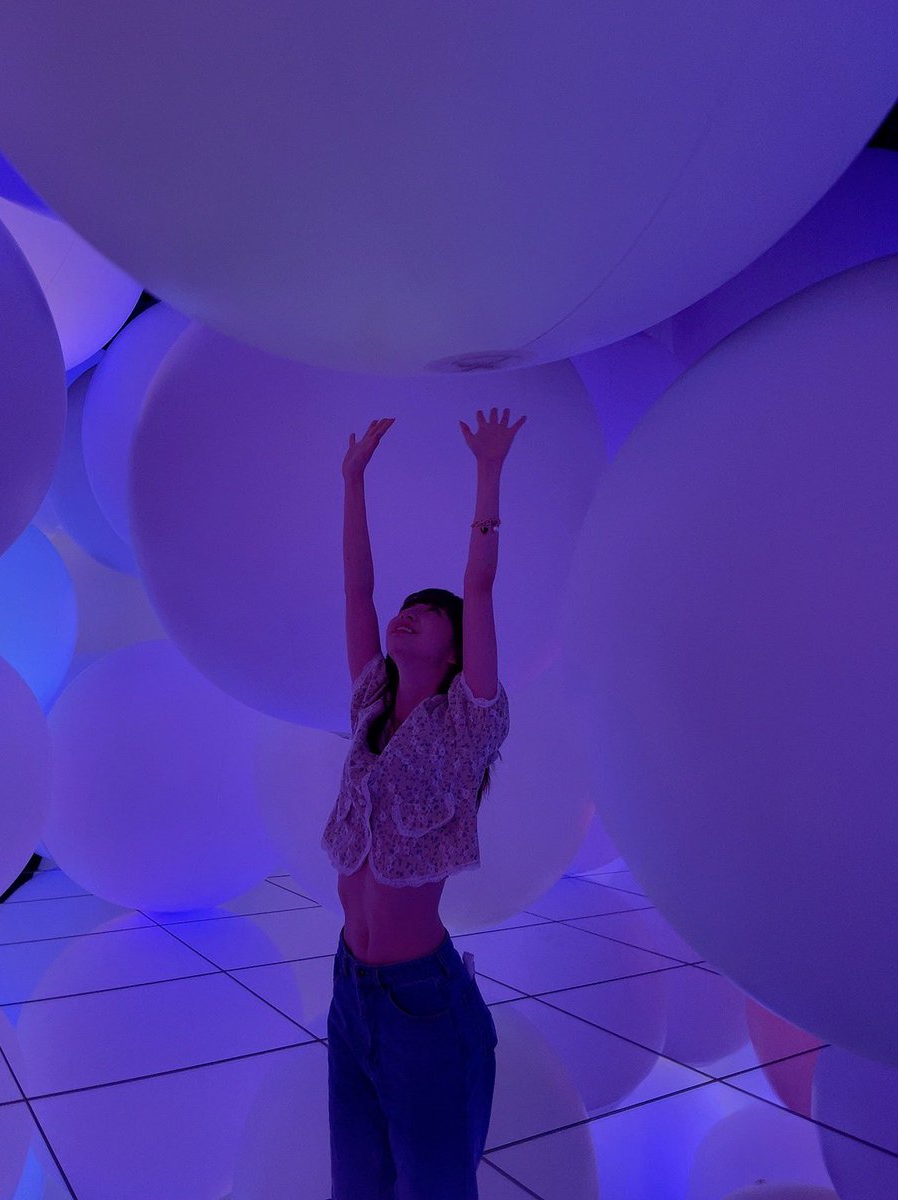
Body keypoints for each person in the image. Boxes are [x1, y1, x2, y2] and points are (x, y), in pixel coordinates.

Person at [323, 407, 525, 1199]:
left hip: (421, 1003)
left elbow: (480, 583)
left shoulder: (467, 724)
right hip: (350, 991)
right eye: (412, 605)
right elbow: (358, 587)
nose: (411, 611)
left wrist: (489, 471)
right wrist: (352, 479)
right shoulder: (371, 703)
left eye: (431, 612)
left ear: (454, 651)